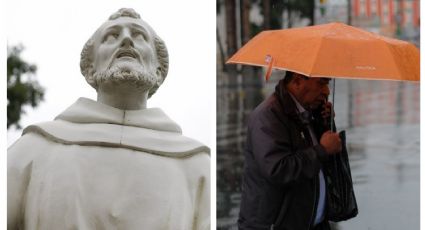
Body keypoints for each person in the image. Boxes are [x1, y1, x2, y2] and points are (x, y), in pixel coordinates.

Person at [8, 8, 210, 230]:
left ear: (159, 70)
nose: (125, 40)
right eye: (111, 36)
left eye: (139, 36)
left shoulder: (196, 165)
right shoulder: (33, 150)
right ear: (90, 68)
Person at [238, 71, 342, 230]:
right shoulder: (267, 116)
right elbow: (278, 169)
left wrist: (323, 124)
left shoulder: (305, 112)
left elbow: (320, 164)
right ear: (297, 81)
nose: (326, 91)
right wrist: (322, 150)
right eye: (322, 83)